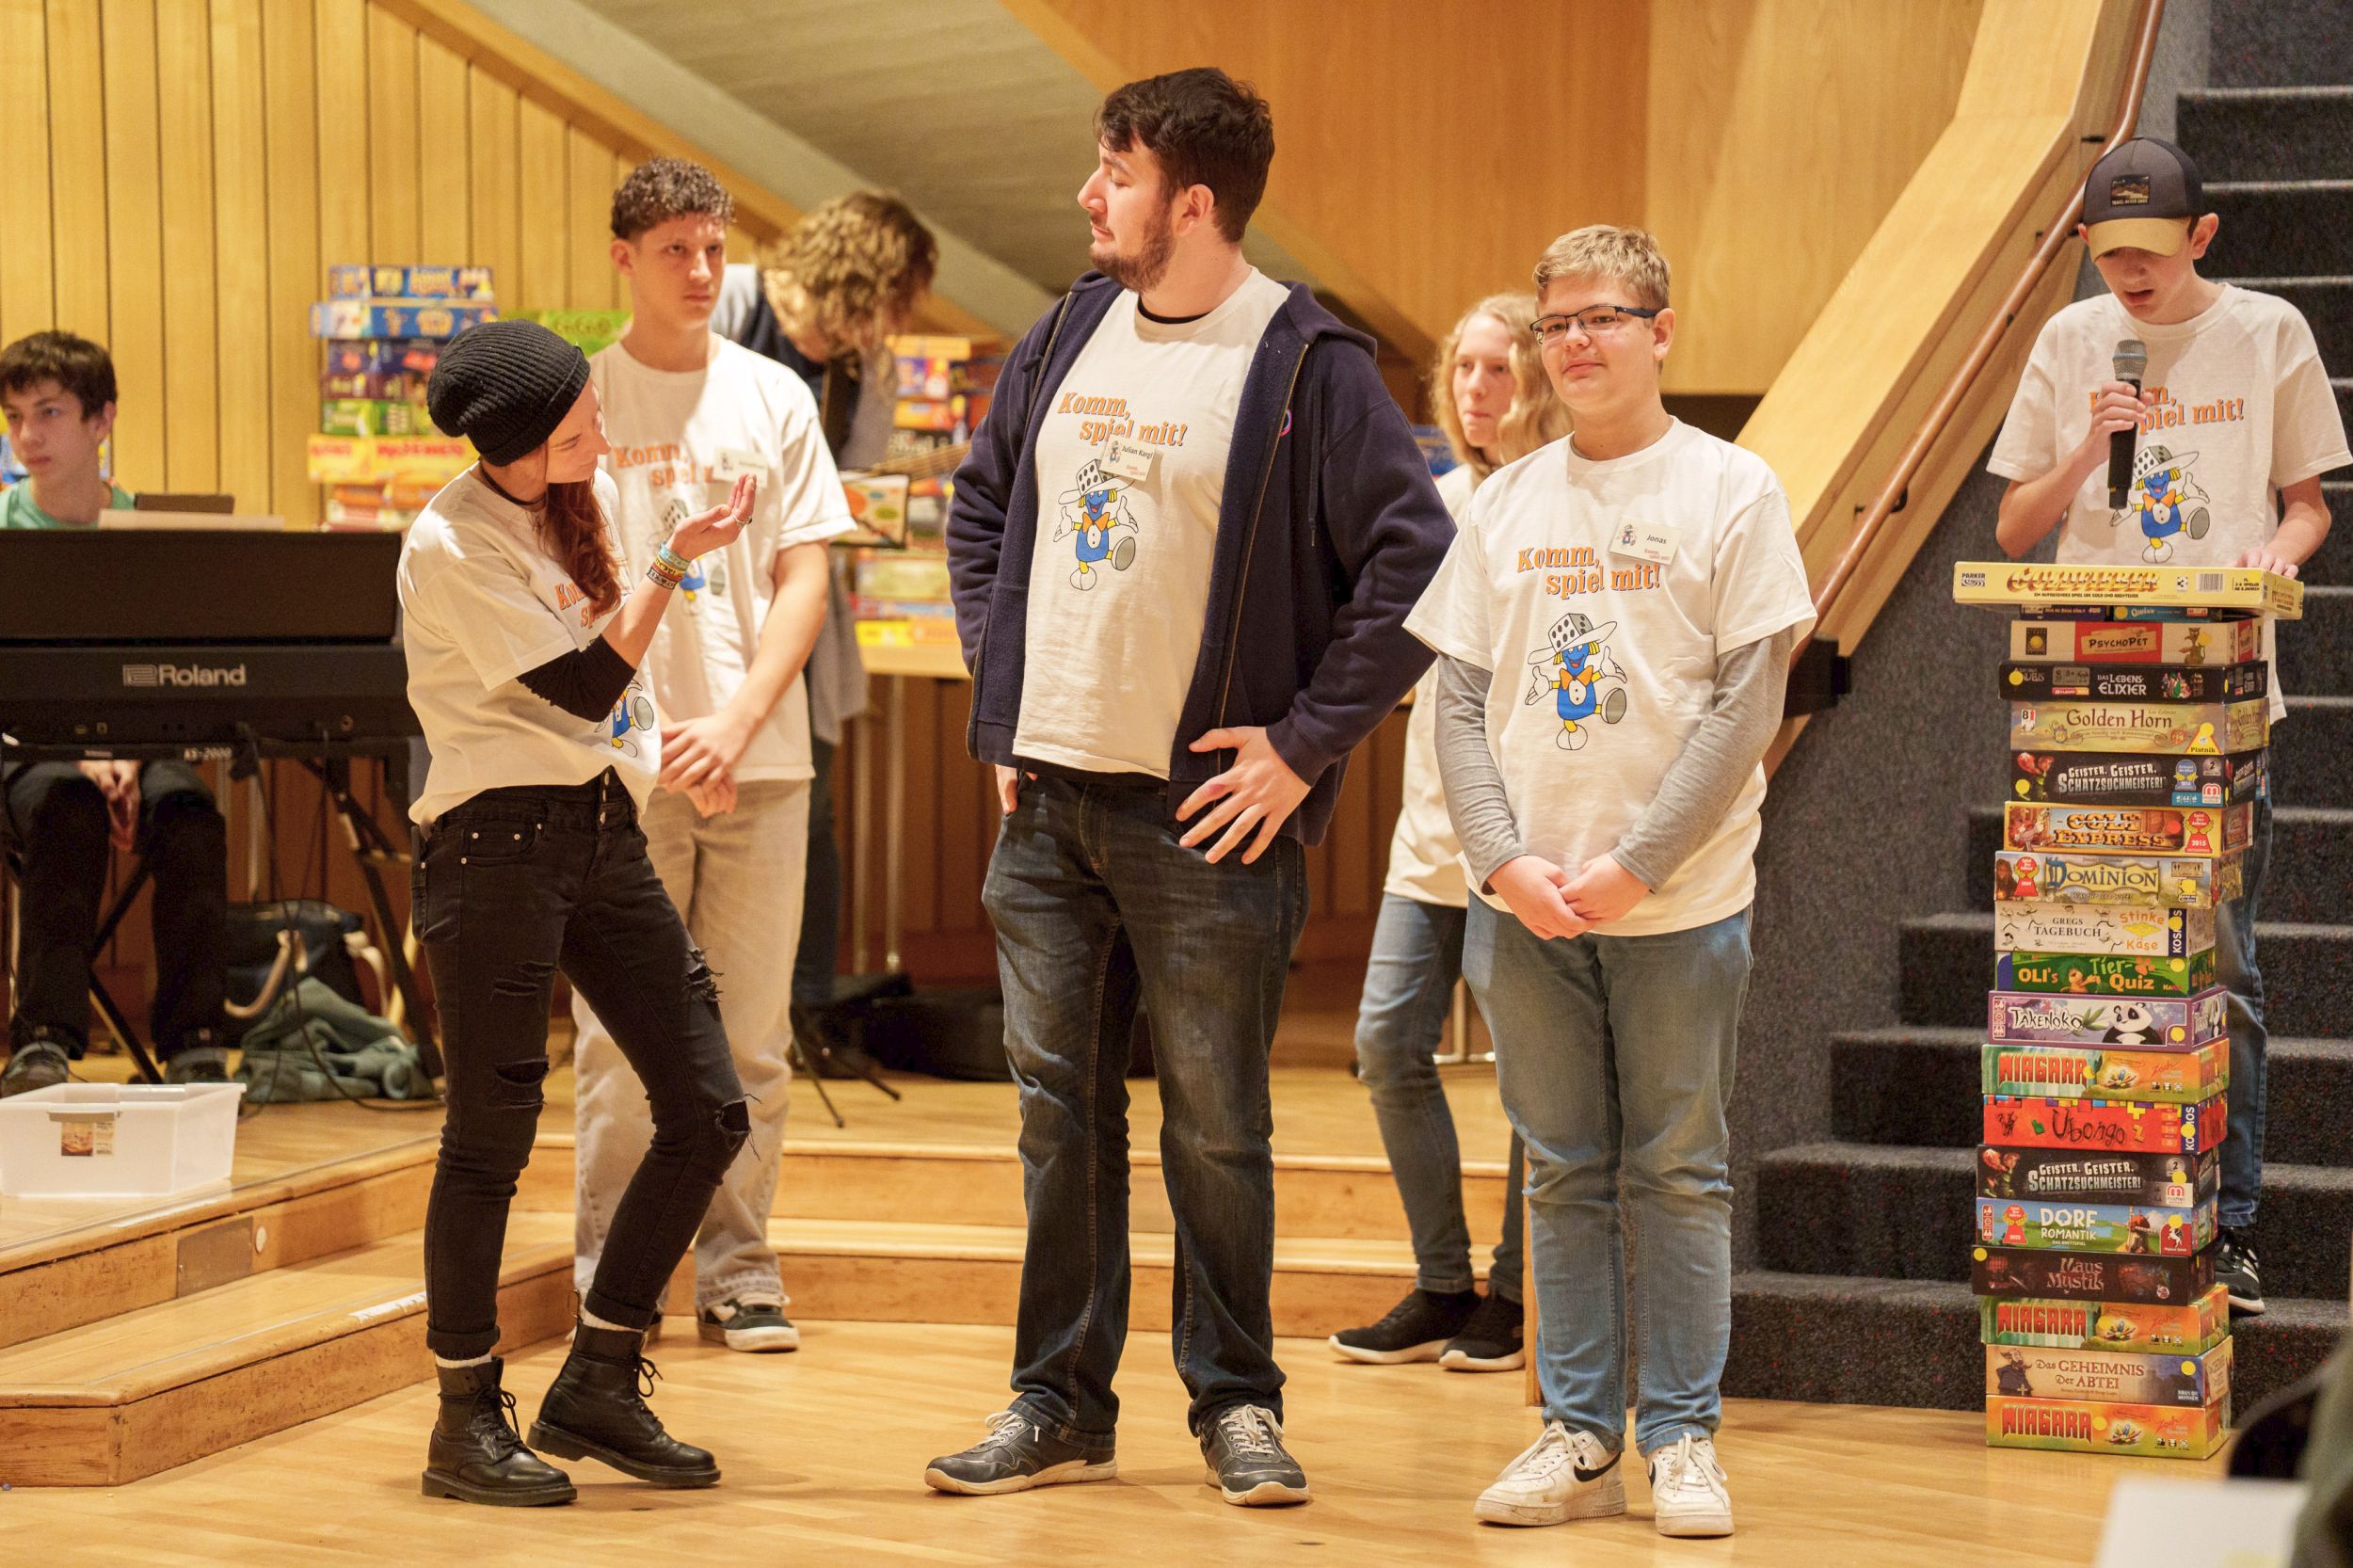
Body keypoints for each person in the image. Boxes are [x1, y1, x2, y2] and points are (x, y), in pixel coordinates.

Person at [925, 68, 1454, 1508]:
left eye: (1116, 172)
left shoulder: (1307, 363)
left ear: (1194, 202)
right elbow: (981, 507)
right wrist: (1002, 690)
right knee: (1059, 1117)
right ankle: (1057, 1400)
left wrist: (1304, 742)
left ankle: (1235, 1400)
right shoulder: (1066, 330)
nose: (1088, 195)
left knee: (1216, 1126)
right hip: (1047, 808)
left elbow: (1417, 568)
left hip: (1203, 816)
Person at [1406, 225, 1815, 1539]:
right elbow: (1457, 701)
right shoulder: (1504, 503)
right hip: (1522, 900)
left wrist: (1638, 866)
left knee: (1679, 1170)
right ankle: (1579, 1436)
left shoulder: (1732, 488)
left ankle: (1681, 1435)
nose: (1574, 342)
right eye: (1557, 322)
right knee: (1562, 1170)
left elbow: (1749, 703)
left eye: (1603, 317)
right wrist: (1501, 858)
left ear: (1661, 331)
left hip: (1678, 904)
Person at [1989, 136, 2348, 1317]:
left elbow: (2308, 507)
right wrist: (2090, 448)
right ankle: (2104, 1213)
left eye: (2150, 251)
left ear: (2201, 235)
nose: (2129, 276)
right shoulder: (2068, 341)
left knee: (2220, 961)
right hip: (2084, 694)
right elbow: (2013, 529)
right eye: (2109, 256)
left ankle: (2227, 1222)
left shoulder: (2268, 331)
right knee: (2084, 954)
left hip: (2220, 695)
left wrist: (2272, 554)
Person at [401, 318, 758, 1506]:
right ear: (514, 446)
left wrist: (669, 754)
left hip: (599, 830)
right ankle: (463, 1419)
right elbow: (585, 682)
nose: (599, 436)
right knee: (489, 1139)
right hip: (493, 850)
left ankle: (599, 1379)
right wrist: (673, 565)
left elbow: (614, 705)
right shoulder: (450, 542)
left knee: (708, 1108)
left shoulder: (567, 504)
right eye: (577, 427)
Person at [568, 158, 854, 1357]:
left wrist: (733, 722)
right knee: (617, 1047)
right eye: (674, 249)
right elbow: (567, 587)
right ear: (623, 259)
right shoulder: (580, 396)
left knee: (747, 1039)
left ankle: (739, 1271)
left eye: (714, 249)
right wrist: (656, 738)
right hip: (621, 770)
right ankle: (613, 1282)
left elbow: (805, 576)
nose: (699, 270)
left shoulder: (773, 395)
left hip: (761, 762)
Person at [1328, 293, 1565, 1373]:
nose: (1475, 389)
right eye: (1462, 368)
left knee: (1527, 1072)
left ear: (1538, 382)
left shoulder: (1560, 506)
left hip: (1520, 831)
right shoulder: (1438, 502)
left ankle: (1513, 1294)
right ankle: (1439, 1281)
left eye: (1497, 369)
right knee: (1386, 1044)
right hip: (1427, 827)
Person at [712, 192, 939, 1048]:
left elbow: (858, 491)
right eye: (893, 299)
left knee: (808, 810)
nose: (893, 324)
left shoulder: (862, 369)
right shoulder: (732, 304)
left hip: (799, 613)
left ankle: (804, 1011)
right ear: (861, 278)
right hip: (702, 608)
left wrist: (862, 504)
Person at [0, 330, 232, 1096]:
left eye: (49, 413)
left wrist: (123, 752)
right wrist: (84, 756)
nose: (27, 436)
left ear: (102, 421)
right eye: (14, 417)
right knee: (68, 807)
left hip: (141, 744)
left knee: (193, 820)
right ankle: (42, 1043)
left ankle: (195, 1043)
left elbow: (172, 674)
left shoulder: (151, 532)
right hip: (25, 749)